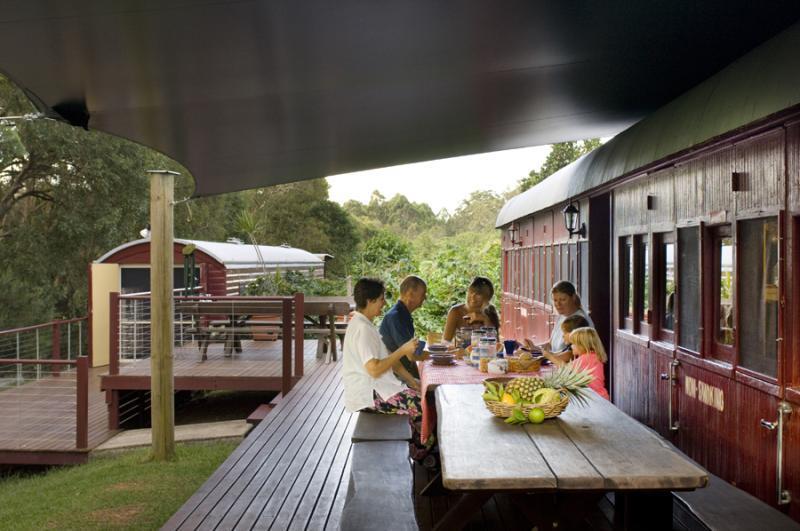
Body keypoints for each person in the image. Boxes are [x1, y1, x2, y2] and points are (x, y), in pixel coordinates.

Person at [342, 277, 422, 422]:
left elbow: (390, 360)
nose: (384, 302)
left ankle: (415, 443)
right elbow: (374, 369)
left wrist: (412, 381)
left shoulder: (365, 324)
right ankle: (421, 445)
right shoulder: (362, 328)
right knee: (420, 404)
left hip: (376, 389)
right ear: (369, 301)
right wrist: (403, 350)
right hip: (368, 395)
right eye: (381, 298)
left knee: (421, 398)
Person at [379, 275, 427, 381]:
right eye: (423, 294)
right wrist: (444, 356)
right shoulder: (395, 317)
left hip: (403, 373)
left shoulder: (402, 314)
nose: (425, 298)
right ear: (410, 294)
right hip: (394, 378)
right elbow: (411, 355)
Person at [526, 280, 593, 354]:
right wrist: (533, 347)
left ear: (573, 297)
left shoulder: (580, 320)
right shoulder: (562, 316)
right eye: (555, 300)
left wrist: (546, 355)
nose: (558, 304)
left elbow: (571, 354)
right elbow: (550, 345)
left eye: (563, 300)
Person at [443, 276, 500, 342]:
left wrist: (484, 319)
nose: (473, 297)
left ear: (488, 298)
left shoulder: (490, 311)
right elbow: (445, 342)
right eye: (471, 292)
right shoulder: (456, 311)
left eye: (478, 294)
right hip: (461, 351)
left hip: (484, 351)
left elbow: (496, 344)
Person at [567, 327, 609, 400]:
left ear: (582, 345)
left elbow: (565, 368)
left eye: (573, 344)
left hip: (594, 398)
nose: (571, 346)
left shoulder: (585, 359)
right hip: (601, 396)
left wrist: (549, 356)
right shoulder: (594, 356)